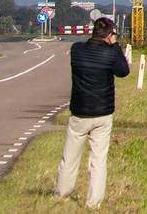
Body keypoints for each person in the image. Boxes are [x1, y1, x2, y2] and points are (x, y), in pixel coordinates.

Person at [56, 16, 131, 208]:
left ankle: (62, 193)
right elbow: (123, 71)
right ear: (110, 34)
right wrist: (115, 46)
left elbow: (83, 50)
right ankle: (93, 201)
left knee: (70, 156)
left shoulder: (76, 50)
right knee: (98, 160)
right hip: (102, 113)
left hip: (80, 111)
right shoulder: (111, 54)